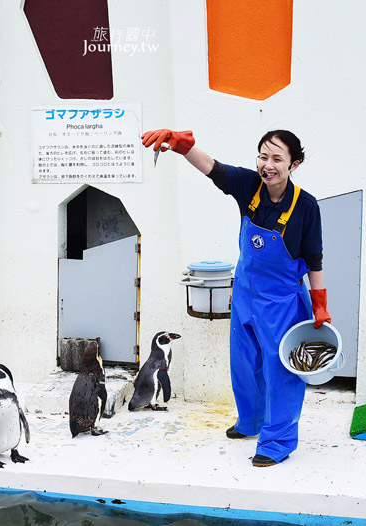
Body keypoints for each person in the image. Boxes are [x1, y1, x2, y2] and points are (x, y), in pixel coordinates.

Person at [141, 128, 331, 467]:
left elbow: (314, 260)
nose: (267, 165)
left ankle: (277, 441)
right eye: (262, 156)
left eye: (276, 159)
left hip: (281, 304)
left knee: (281, 371)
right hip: (244, 294)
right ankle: (252, 421)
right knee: (243, 364)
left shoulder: (306, 206)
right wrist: (185, 147)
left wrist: (320, 305)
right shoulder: (249, 186)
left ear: (294, 164)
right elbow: (213, 168)